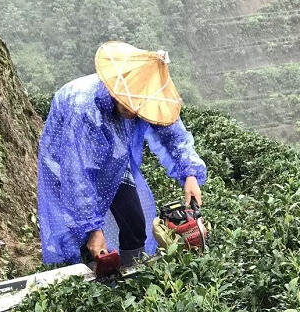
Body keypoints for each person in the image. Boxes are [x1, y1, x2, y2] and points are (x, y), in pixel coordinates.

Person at [37, 41, 207, 265]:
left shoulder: (146, 98)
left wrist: (190, 174)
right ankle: (87, 276)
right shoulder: (84, 108)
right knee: (80, 234)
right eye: (128, 104)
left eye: (138, 106)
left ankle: (129, 277)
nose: (133, 111)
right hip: (67, 158)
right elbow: (77, 175)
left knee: (135, 224)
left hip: (115, 161)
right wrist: (93, 229)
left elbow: (173, 136)